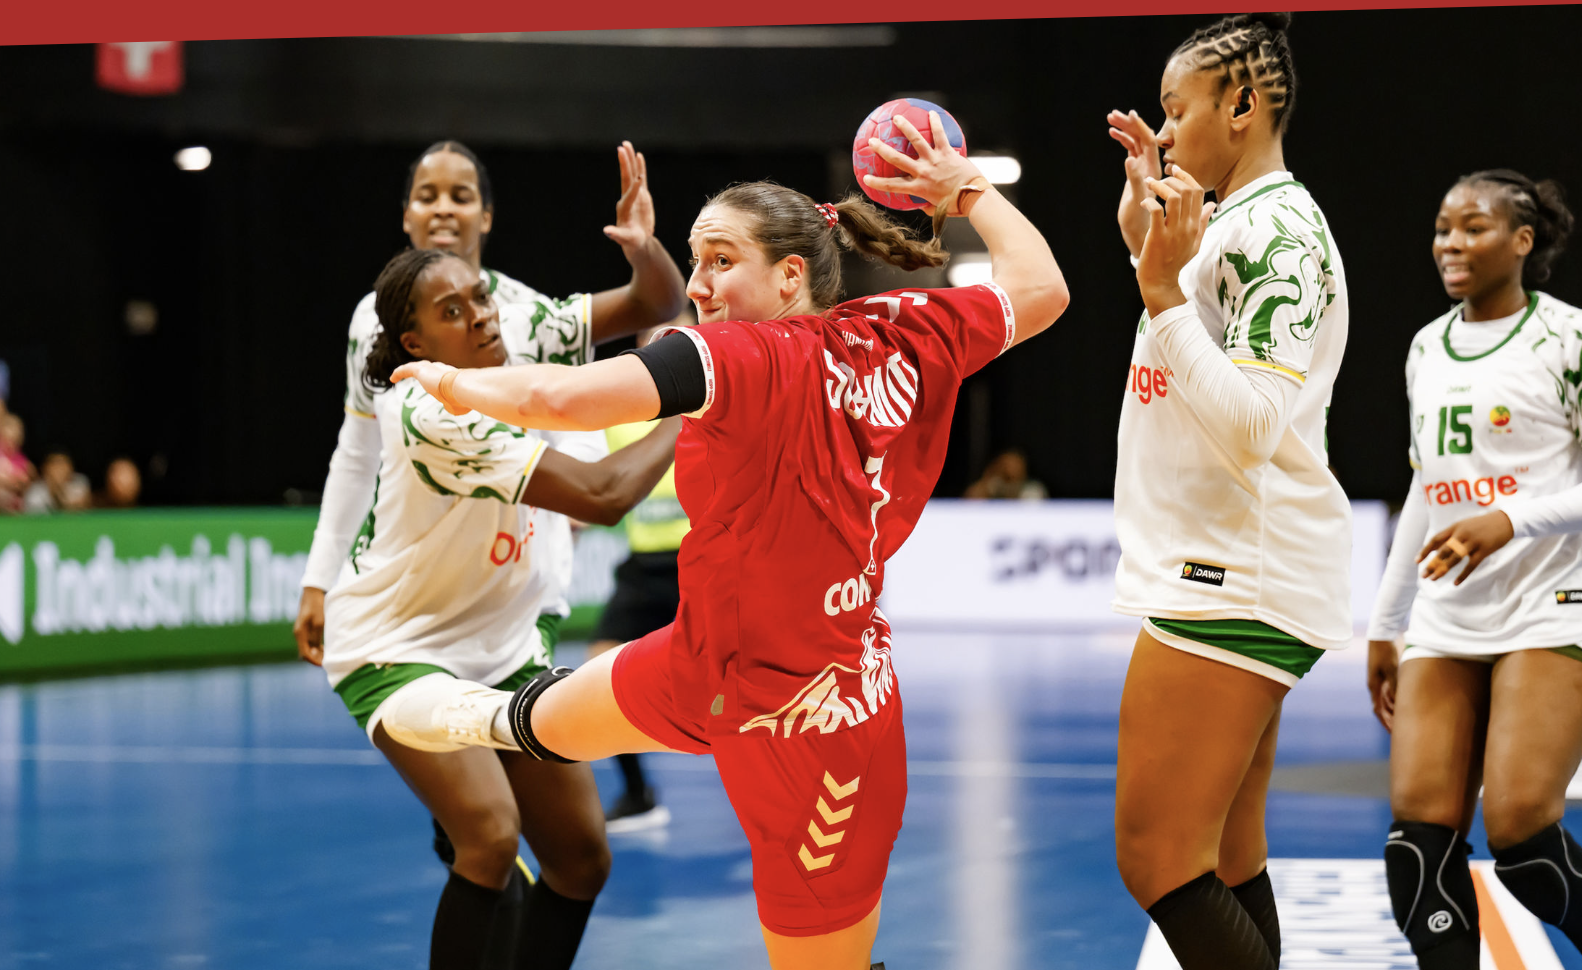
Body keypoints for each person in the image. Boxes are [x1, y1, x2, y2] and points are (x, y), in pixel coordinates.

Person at [359, 111, 1068, 970]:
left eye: (721, 261)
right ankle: (429, 709)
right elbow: (1043, 290)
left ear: (790, 275)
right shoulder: (903, 326)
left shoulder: (743, 358)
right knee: (520, 719)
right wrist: (966, 192)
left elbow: (565, 400)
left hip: (810, 723)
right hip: (706, 660)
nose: (698, 285)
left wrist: (455, 383)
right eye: (695, 263)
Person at [292, 139, 686, 874]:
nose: (444, 207)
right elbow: (357, 453)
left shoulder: (526, 314)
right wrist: (321, 575)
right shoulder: (367, 326)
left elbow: (658, 303)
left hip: (513, 592)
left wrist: (642, 245)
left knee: (540, 844)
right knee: (483, 835)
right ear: (406, 214)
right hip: (426, 593)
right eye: (428, 193)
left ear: (488, 216)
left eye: (461, 194)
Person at [1105, 13, 1349, 970]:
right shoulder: (1228, 222)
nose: (1162, 136)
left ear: (1241, 106)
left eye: (1176, 111)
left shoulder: (1280, 229)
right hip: (1226, 563)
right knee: (1225, 857)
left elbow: (1251, 427)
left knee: (1156, 860)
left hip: (1233, 572)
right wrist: (1145, 257)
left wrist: (1161, 293)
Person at [1365, 170, 1582, 969]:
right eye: (1442, 227)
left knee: (1523, 833)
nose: (1451, 243)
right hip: (1445, 616)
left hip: (1549, 603)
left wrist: (1510, 520)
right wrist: (1387, 623)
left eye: (1473, 227)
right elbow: (1426, 490)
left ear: (1523, 242)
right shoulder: (1428, 346)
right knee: (1417, 848)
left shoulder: (1568, 340)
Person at [586, 320, 695, 834]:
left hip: (700, 565)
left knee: (747, 689)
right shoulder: (622, 419)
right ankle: (638, 793)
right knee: (595, 674)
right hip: (642, 570)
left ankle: (793, 799)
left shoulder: (717, 411)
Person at [962, 448, 1047, 500]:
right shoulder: (992, 486)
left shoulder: (1033, 490)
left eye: (1015, 464)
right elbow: (971, 499)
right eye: (1006, 465)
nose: (1011, 469)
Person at [23, 450, 91, 514]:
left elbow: (81, 507)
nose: (59, 469)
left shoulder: (79, 482)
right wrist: (53, 488)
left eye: (63, 464)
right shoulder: (35, 490)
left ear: (71, 467)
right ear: (45, 468)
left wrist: (59, 489)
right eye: (55, 464)